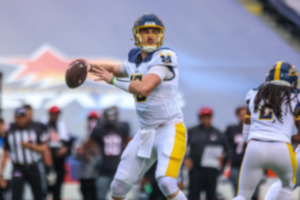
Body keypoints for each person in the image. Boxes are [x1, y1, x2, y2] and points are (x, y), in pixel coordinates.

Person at [77, 13, 188, 200]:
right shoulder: (134, 58)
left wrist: (112, 81)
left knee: (166, 182)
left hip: (169, 129)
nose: (151, 35)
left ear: (161, 35)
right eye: (146, 32)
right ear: (137, 35)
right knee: (118, 185)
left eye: (155, 31)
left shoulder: (164, 57)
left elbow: (144, 88)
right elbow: (113, 68)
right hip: (146, 133)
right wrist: (88, 67)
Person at [233, 61, 300, 200]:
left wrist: (251, 138)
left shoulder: (253, 93)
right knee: (287, 185)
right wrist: (291, 138)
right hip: (282, 148)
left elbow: (247, 124)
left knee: (243, 195)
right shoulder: (295, 96)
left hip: (254, 146)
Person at [0, 107, 48, 200]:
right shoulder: (10, 131)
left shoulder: (35, 129)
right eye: (19, 117)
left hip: (33, 166)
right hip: (18, 167)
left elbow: (43, 149)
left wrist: (29, 146)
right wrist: (1, 174)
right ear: (15, 117)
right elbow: (5, 154)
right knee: (16, 195)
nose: (21, 119)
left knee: (38, 194)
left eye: (23, 116)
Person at [184, 107, 228, 200]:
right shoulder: (192, 131)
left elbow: (227, 150)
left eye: (208, 117)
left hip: (211, 170)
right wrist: (186, 158)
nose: (206, 119)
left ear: (211, 118)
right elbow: (183, 148)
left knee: (211, 194)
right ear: (200, 118)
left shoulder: (218, 133)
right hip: (195, 169)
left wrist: (223, 157)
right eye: (204, 117)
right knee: (194, 194)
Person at [88, 107, 129, 200]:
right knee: (101, 196)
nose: (111, 119)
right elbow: (88, 146)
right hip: (103, 169)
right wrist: (93, 155)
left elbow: (129, 144)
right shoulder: (99, 130)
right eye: (109, 116)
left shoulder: (123, 129)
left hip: (119, 169)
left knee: (119, 196)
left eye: (112, 116)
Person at [23, 104, 56, 198]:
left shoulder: (38, 127)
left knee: (40, 192)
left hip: (36, 165)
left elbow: (45, 149)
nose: (29, 117)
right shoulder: (16, 128)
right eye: (26, 114)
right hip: (19, 166)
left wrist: (50, 168)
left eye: (30, 114)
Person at [45, 106, 70, 200]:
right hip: (48, 164)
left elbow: (67, 143)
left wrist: (65, 149)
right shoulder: (45, 126)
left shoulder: (62, 126)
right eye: (53, 114)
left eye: (57, 114)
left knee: (57, 191)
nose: (55, 116)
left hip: (59, 164)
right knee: (45, 190)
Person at [75, 111, 100, 200]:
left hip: (98, 175)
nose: (93, 122)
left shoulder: (102, 138)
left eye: (95, 120)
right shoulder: (83, 138)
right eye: (91, 119)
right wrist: (82, 152)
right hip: (85, 175)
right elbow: (75, 154)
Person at [224, 107, 247, 194]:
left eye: (246, 114)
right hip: (236, 164)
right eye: (242, 115)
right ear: (238, 116)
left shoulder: (255, 129)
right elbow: (226, 145)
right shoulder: (232, 129)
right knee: (237, 192)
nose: (244, 117)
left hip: (251, 165)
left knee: (252, 193)